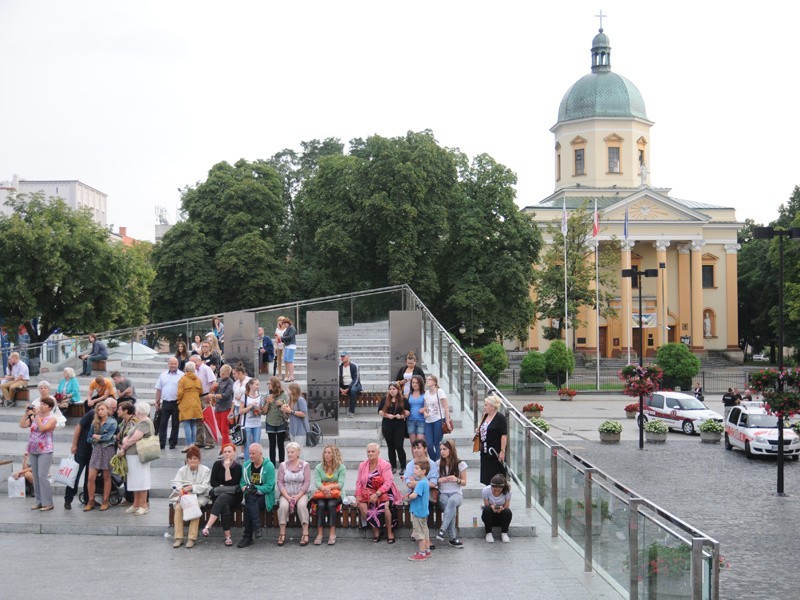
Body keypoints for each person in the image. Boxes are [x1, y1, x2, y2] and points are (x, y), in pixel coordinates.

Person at [357, 442, 400, 544]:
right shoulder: (362, 465)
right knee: (362, 505)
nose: (370, 453)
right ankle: (377, 531)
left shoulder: (385, 464)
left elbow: (388, 482)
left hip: (384, 491)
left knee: (385, 506)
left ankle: (390, 532)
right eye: (369, 451)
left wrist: (377, 494)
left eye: (373, 451)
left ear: (378, 452)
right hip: (368, 492)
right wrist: (358, 495)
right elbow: (359, 482)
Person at [202, 443, 243, 547]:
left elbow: (233, 484)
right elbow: (213, 482)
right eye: (225, 452)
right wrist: (224, 488)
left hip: (234, 496)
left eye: (229, 452)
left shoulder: (238, 467)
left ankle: (208, 527)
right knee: (224, 502)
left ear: (234, 453)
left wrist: (227, 468)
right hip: (220, 496)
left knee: (223, 497)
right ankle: (228, 537)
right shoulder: (217, 464)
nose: (227, 454)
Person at [117, 401, 155, 515]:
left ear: (139, 411)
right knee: (135, 480)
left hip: (139, 455)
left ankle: (143, 505)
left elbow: (135, 438)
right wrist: (126, 441)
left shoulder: (145, 422)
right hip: (133, 455)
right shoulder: (141, 422)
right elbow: (130, 436)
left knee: (141, 480)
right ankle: (136, 504)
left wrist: (124, 445)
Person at [170, 446, 211, 549]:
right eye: (190, 458)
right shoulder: (182, 470)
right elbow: (176, 483)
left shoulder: (205, 470)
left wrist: (192, 487)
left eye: (195, 458)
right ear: (187, 460)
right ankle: (178, 537)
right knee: (178, 508)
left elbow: (205, 486)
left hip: (201, 496)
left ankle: (191, 538)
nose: (192, 461)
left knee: (194, 507)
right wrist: (181, 489)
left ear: (199, 460)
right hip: (185, 497)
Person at [19, 396, 56, 511]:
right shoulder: (35, 417)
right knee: (35, 476)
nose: (41, 406)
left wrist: (38, 416)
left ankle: (48, 503)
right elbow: (22, 425)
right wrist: (26, 414)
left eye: (44, 404)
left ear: (50, 407)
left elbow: (43, 428)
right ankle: (39, 501)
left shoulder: (52, 419)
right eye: (41, 403)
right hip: (33, 450)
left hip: (45, 450)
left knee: (42, 476)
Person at [238, 443, 276, 548]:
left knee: (248, 505)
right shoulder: (246, 465)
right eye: (249, 453)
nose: (250, 456)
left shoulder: (269, 466)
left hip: (265, 495)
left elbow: (270, 486)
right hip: (250, 495)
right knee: (250, 499)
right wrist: (244, 487)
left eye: (253, 453)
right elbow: (242, 483)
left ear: (260, 454)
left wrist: (257, 489)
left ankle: (247, 537)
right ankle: (257, 527)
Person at [85, 401, 118, 511]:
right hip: (97, 450)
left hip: (108, 449)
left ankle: (105, 500)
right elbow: (88, 438)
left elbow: (108, 437)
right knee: (91, 477)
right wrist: (97, 437)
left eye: (102, 409)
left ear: (108, 410)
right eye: (98, 410)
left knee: (107, 476)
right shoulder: (95, 422)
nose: (100, 411)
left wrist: (98, 437)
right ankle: (91, 501)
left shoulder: (112, 422)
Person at [276, 441, 311, 546]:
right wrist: (287, 496)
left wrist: (298, 496)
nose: (290, 454)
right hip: (286, 493)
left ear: (298, 453)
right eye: (288, 452)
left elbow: (307, 482)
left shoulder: (305, 465)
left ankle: (305, 532)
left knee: (301, 505)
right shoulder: (283, 465)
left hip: (301, 493)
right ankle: (282, 533)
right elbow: (280, 482)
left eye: (292, 452)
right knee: (282, 506)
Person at [312, 444, 345, 546]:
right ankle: (320, 533)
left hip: (336, 494)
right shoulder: (319, 467)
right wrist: (324, 489)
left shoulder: (341, 467)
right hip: (322, 493)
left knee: (331, 504)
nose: (326, 455)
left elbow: (341, 484)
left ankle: (332, 533)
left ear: (334, 454)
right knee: (321, 505)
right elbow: (317, 483)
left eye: (329, 452)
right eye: (325, 452)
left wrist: (329, 488)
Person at [65, 404, 97, 509]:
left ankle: (88, 500)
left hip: (94, 452)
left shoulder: (109, 417)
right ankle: (68, 499)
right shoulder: (92, 413)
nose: (113, 410)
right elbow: (78, 427)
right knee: (75, 475)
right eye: (112, 407)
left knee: (90, 477)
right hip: (82, 449)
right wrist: (74, 444)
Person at [436, 439, 467, 548]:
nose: (442, 452)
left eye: (444, 449)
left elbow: (464, 482)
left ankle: (442, 529)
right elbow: (434, 481)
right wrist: (439, 480)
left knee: (452, 501)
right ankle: (453, 538)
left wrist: (456, 479)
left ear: (451, 449)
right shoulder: (438, 463)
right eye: (440, 449)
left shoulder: (460, 464)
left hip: (456, 493)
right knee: (450, 506)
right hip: (443, 494)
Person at [378, 382, 409, 472]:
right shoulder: (385, 399)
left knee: (399, 446)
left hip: (399, 425)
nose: (391, 391)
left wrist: (402, 416)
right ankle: (393, 466)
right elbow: (380, 411)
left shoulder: (403, 399)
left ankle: (403, 466)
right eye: (390, 389)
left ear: (398, 390)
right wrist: (387, 415)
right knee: (390, 446)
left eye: (394, 389)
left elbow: (407, 412)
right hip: (387, 424)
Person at [478, 394, 508, 485]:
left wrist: (502, 451)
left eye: (486, 405)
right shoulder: (485, 416)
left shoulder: (500, 418)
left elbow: (504, 435)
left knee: (496, 476)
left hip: (495, 451)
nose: (484, 407)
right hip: (485, 451)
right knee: (486, 476)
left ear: (492, 407)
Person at [155, 357, 184, 450]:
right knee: (162, 424)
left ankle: (173, 443)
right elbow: (159, 389)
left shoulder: (182, 375)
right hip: (166, 402)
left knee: (175, 424)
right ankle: (161, 443)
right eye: (171, 363)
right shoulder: (163, 375)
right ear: (168, 364)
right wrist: (157, 401)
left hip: (177, 403)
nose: (173, 365)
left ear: (178, 365)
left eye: (175, 364)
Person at [404, 460, 431, 561]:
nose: (413, 470)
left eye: (416, 468)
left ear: (423, 471)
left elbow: (414, 495)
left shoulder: (420, 484)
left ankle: (422, 553)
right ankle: (427, 550)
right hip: (423, 511)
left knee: (419, 534)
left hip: (418, 512)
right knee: (425, 532)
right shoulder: (425, 482)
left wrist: (408, 496)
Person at [190, 354, 217, 449]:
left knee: (207, 419)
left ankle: (210, 442)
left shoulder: (206, 369)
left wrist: (210, 395)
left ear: (200, 361)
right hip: (196, 397)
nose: (193, 364)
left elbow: (213, 383)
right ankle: (199, 440)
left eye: (194, 362)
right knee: (199, 420)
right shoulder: (192, 371)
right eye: (191, 362)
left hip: (205, 396)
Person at [423, 375, 451, 461]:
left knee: (437, 442)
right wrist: (425, 413)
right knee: (429, 444)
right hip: (428, 420)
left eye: (430, 379)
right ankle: (434, 462)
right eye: (427, 379)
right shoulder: (426, 393)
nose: (427, 381)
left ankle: (438, 464)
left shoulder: (440, 391)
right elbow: (425, 407)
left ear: (435, 382)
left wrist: (447, 422)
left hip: (438, 419)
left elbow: (446, 407)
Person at [177, 361, 203, 452]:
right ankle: (193, 443)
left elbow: (180, 393)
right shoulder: (198, 379)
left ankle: (188, 444)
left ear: (185, 369)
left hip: (185, 403)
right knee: (193, 424)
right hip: (196, 403)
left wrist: (179, 402)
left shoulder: (183, 379)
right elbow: (201, 392)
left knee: (186, 424)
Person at [264, 376, 288, 466]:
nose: (268, 385)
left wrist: (282, 404)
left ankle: (282, 464)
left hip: (281, 422)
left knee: (281, 445)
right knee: (272, 444)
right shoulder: (267, 395)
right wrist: (267, 402)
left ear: (274, 384)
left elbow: (288, 409)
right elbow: (263, 412)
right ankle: (272, 465)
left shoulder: (283, 394)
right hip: (270, 422)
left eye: (269, 383)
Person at [482, 474, 512, 543]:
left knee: (507, 511)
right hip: (489, 516)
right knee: (487, 509)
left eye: (499, 490)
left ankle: (504, 532)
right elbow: (486, 504)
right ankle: (488, 532)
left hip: (501, 516)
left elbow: (506, 506)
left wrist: (502, 509)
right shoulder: (486, 490)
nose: (497, 492)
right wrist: (491, 507)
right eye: (494, 490)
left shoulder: (507, 492)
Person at [211, 364, 234, 446]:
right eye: (220, 373)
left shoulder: (230, 382)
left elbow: (226, 394)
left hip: (226, 407)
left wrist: (214, 395)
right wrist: (213, 388)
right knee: (220, 428)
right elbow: (213, 391)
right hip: (218, 407)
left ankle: (225, 446)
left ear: (228, 373)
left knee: (224, 428)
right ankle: (227, 444)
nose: (221, 375)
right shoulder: (219, 380)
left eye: (223, 374)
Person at [240, 378, 263, 449]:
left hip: (257, 424)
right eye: (256, 385)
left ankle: (255, 460)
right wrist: (250, 406)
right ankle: (247, 460)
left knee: (256, 445)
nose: (258, 386)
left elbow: (261, 411)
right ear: (250, 385)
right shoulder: (245, 397)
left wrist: (258, 410)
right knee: (247, 445)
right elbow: (240, 411)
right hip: (247, 424)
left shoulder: (259, 397)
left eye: (258, 385)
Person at [339, 350, 362, 418]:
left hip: (354, 385)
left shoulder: (354, 366)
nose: (342, 358)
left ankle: (351, 411)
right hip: (343, 385)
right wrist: (340, 388)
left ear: (348, 357)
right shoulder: (339, 367)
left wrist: (348, 388)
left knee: (353, 390)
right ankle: (333, 410)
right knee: (334, 389)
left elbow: (356, 379)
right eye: (341, 356)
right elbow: (336, 379)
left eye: (344, 356)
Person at [406, 375, 426, 445]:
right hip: (410, 421)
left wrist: (424, 408)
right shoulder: (408, 394)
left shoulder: (425, 394)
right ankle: (415, 457)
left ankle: (423, 456)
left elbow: (430, 405)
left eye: (417, 383)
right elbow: (404, 406)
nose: (414, 384)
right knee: (413, 444)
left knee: (420, 444)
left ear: (420, 383)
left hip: (421, 421)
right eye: (413, 382)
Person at [281, 317, 297, 382]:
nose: (285, 325)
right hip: (287, 346)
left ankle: (291, 376)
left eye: (285, 323)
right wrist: (281, 338)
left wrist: (282, 338)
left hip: (291, 346)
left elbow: (290, 337)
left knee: (290, 361)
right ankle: (289, 375)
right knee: (286, 360)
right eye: (284, 324)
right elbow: (284, 339)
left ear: (288, 323)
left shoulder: (292, 328)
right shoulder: (287, 329)